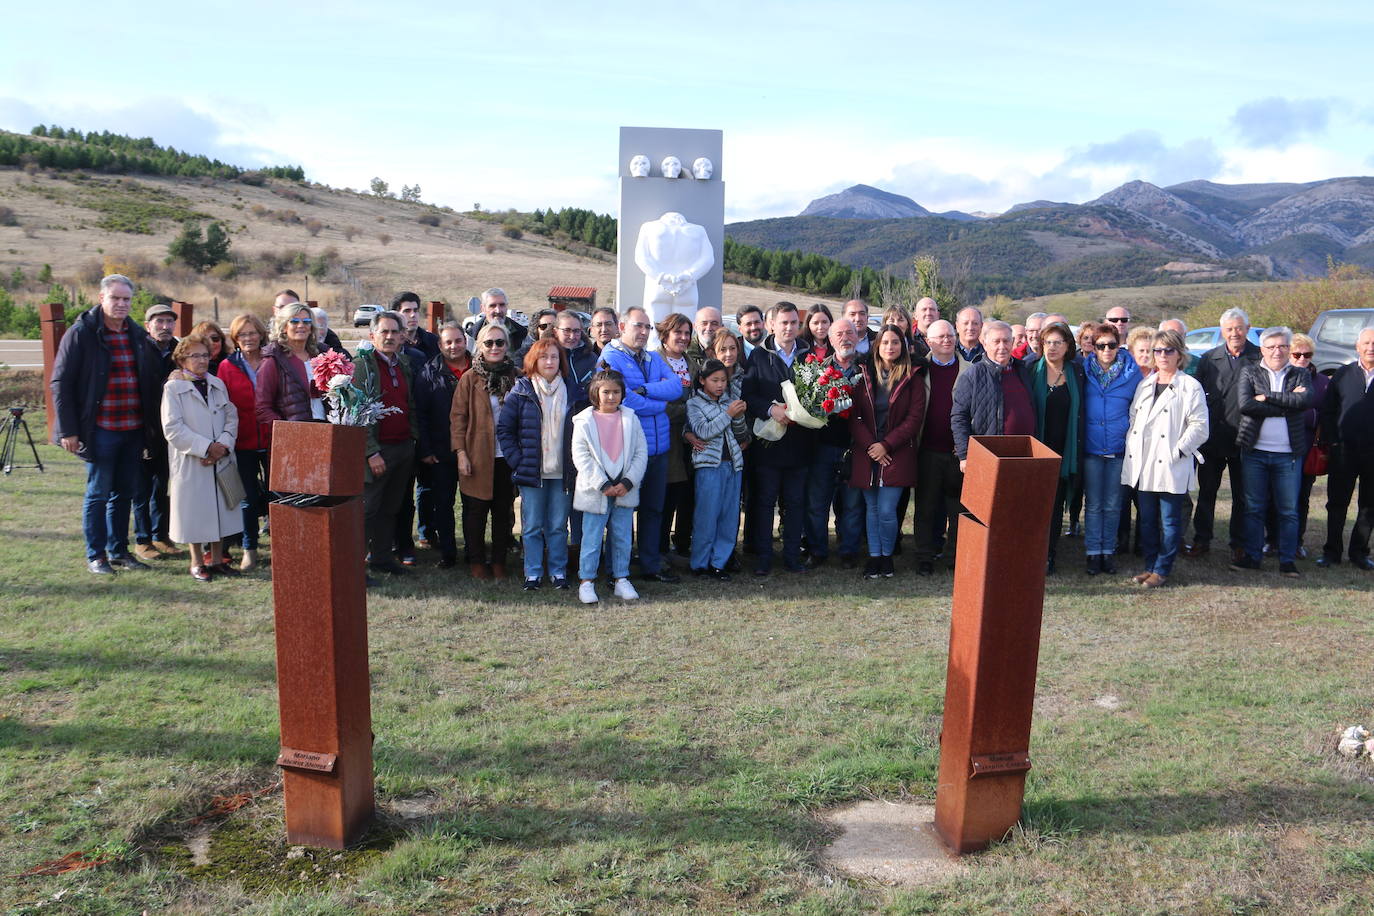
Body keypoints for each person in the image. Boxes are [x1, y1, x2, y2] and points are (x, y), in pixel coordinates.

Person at [51, 274, 165, 575]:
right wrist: (68, 430)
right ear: (101, 298)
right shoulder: (82, 333)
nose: (121, 304)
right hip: (99, 429)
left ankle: (119, 552)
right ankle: (96, 555)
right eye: (115, 298)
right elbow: (61, 383)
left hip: (132, 428)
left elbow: (152, 378)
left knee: (124, 494)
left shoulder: (137, 335)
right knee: (98, 493)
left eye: (126, 299)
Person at [597, 306, 685, 583]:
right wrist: (658, 405)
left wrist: (647, 390)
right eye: (638, 326)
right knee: (623, 514)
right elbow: (624, 400)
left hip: (658, 450)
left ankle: (650, 566)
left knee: (653, 510)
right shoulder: (611, 357)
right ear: (622, 327)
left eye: (647, 327)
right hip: (629, 451)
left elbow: (676, 388)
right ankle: (616, 570)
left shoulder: (651, 357)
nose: (644, 332)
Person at [1121, 329, 1207, 588]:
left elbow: (1200, 426)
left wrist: (1178, 451)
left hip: (1171, 463)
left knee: (1170, 522)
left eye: (1168, 350)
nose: (1162, 355)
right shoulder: (1145, 384)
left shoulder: (1190, 386)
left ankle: (1162, 568)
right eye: (1157, 350)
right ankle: (1150, 565)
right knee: (1146, 520)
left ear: (1180, 354)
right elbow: (1134, 417)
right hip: (1144, 463)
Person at [498, 337, 581, 590]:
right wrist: (518, 461)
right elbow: (505, 429)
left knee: (557, 526)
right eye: (544, 356)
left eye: (554, 357)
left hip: (562, 471)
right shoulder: (522, 391)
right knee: (533, 525)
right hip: (532, 470)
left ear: (560, 361)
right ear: (534, 360)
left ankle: (558, 572)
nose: (549, 361)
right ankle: (532, 573)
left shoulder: (573, 392)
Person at [161, 333, 242, 582]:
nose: (201, 360)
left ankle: (217, 560)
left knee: (220, 510)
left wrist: (223, 446)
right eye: (194, 355)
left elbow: (231, 418)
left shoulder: (217, 384)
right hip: (192, 459)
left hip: (221, 458)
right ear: (182, 359)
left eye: (205, 355)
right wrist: (207, 448)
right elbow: (173, 428)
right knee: (194, 513)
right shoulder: (173, 388)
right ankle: (197, 562)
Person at [1231, 327, 1311, 578]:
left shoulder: (1300, 374)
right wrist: (1286, 401)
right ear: (1262, 349)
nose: (1278, 351)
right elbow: (1246, 405)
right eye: (1272, 346)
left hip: (1288, 454)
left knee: (1288, 510)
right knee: (1254, 507)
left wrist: (1266, 397)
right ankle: (1253, 557)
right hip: (1254, 451)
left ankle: (1287, 560)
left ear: (1289, 348)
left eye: (1283, 346)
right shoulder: (1250, 371)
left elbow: (1304, 403)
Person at [742, 301, 814, 575]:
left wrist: (804, 411)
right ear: (771, 324)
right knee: (764, 502)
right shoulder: (759, 356)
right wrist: (771, 409)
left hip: (800, 443)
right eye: (783, 322)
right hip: (768, 445)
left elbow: (815, 394)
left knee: (795, 503)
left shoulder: (808, 356)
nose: (788, 328)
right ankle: (763, 557)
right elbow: (748, 394)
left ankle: (792, 556)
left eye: (793, 323)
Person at [849, 325, 926, 578]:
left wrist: (887, 444)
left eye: (895, 342)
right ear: (877, 346)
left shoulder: (912, 375)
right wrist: (872, 446)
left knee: (886, 510)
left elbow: (914, 419)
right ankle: (874, 557)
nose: (890, 347)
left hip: (897, 452)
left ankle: (887, 556)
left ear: (902, 346)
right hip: (867, 451)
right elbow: (855, 415)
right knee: (871, 509)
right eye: (885, 343)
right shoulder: (864, 373)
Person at [1187, 307, 1261, 560]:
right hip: (1213, 439)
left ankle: (1238, 543)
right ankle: (1202, 540)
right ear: (1222, 331)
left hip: (1245, 439)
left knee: (1242, 496)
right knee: (1207, 493)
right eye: (1229, 329)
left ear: (1248, 329)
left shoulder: (1259, 357)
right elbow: (1196, 396)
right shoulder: (1209, 358)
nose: (1234, 333)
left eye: (1239, 328)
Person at [352, 310, 418, 577]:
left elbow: (409, 403)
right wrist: (371, 452)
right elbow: (357, 411)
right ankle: (355, 567)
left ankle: (381, 558)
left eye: (394, 332)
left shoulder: (403, 365)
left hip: (402, 446)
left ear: (402, 336)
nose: (389, 337)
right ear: (372, 335)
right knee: (368, 509)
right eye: (384, 332)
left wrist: (413, 438)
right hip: (377, 450)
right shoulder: (362, 365)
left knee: (391, 507)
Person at [571, 370, 645, 603]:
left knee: (623, 536)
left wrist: (627, 482)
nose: (611, 397)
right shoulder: (583, 421)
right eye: (606, 392)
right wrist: (602, 483)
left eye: (616, 392)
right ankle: (586, 581)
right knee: (591, 538)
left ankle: (621, 579)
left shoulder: (631, 419)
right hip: (596, 492)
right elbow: (581, 456)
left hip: (624, 490)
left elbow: (640, 453)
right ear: (596, 393)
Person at [451, 323, 518, 580]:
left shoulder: (516, 376)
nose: (494, 347)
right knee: (476, 512)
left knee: (503, 512)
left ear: (506, 346)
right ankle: (477, 560)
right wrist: (461, 453)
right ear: (479, 345)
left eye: (499, 342)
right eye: (489, 342)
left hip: (507, 457)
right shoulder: (469, 378)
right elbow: (458, 418)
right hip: (477, 455)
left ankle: (499, 560)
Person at [804, 319, 865, 570]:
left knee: (852, 504)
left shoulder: (868, 368)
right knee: (817, 503)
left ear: (858, 337)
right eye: (839, 334)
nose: (845, 338)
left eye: (850, 333)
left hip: (857, 446)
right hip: (824, 446)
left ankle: (849, 551)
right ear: (830, 340)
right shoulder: (820, 370)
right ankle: (818, 550)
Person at [1081, 321, 1140, 574]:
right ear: (1093, 347)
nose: (1106, 349)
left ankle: (1109, 551)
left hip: (1118, 448)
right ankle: (1093, 552)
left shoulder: (1132, 373)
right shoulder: (1082, 370)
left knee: (1114, 503)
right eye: (1101, 345)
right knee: (1094, 503)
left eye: (1111, 345)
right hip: (1092, 449)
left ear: (1119, 345)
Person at [912, 319, 969, 575]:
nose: (947, 340)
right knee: (926, 507)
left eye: (950, 335)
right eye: (940, 336)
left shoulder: (970, 369)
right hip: (927, 450)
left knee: (958, 509)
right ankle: (924, 556)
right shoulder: (917, 369)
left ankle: (956, 555)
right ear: (928, 341)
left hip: (958, 453)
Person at [217, 313, 272, 571]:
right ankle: (250, 550)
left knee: (279, 496)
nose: (248, 338)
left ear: (261, 334)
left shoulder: (273, 360)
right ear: (235, 339)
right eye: (242, 335)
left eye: (252, 333)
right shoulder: (227, 367)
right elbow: (223, 407)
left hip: (275, 439)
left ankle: (284, 547)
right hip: (243, 442)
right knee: (247, 499)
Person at [414, 321, 471, 568]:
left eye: (458, 340)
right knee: (443, 505)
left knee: (473, 505)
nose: (453, 346)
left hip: (473, 450)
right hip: (441, 451)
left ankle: (474, 551)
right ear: (440, 345)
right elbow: (420, 414)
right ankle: (448, 553)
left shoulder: (478, 368)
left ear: (465, 341)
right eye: (448, 341)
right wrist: (425, 449)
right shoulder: (429, 372)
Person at [1316, 327, 1374, 570]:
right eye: (1367, 343)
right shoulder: (1343, 374)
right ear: (1357, 346)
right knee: (1337, 504)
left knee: (1369, 505)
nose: (1371, 347)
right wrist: (1334, 441)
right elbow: (1328, 412)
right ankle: (1332, 552)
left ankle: (1359, 553)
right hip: (1344, 452)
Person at [1030, 321, 1085, 574]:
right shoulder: (1030, 369)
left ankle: (1048, 554)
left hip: (1064, 451)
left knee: (1054, 506)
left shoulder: (1077, 373)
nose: (1051, 347)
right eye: (1047, 342)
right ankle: (1031, 551)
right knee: (1034, 505)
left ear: (1068, 346)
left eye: (1057, 343)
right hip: (1035, 452)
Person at [686, 359, 747, 578]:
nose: (720, 385)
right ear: (702, 380)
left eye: (723, 380)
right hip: (709, 467)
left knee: (729, 517)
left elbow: (741, 434)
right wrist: (729, 414)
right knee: (706, 516)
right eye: (714, 380)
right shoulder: (694, 404)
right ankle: (700, 564)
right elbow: (703, 431)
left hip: (734, 465)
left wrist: (739, 418)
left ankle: (719, 563)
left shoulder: (730, 400)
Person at [951, 321, 1035, 473]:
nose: (1002, 347)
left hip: (1025, 454)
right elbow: (959, 417)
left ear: (1013, 342)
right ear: (984, 343)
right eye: (996, 341)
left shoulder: (1023, 370)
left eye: (1006, 341)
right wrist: (964, 455)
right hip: (989, 456)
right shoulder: (972, 375)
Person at [132, 303, 178, 561]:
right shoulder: (138, 350)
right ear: (148, 325)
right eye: (159, 322)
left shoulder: (177, 350)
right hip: (142, 429)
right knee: (142, 489)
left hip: (169, 431)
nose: (164, 327)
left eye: (169, 322)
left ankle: (161, 535)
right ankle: (143, 539)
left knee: (163, 486)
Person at [655, 312, 700, 562]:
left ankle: (682, 545)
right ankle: (658, 550)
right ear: (665, 335)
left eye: (686, 333)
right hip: (664, 440)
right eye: (678, 332)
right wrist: (689, 410)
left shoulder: (692, 364)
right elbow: (656, 403)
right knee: (663, 500)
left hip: (689, 442)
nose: (683, 337)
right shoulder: (654, 362)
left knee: (685, 496)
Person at [255, 302, 321, 451]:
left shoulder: (320, 355)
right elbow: (262, 408)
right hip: (292, 441)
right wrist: (288, 431)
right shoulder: (273, 360)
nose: (301, 325)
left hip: (324, 432)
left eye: (306, 321)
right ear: (284, 327)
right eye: (295, 321)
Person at [1287, 333, 1329, 555]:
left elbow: (1326, 414)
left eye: (1307, 354)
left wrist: (1303, 414)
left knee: (1301, 497)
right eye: (1297, 354)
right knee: (1274, 497)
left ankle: (1297, 542)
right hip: (1280, 447)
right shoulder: (1279, 377)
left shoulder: (1323, 383)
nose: (1302, 358)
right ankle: (1273, 539)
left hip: (1307, 448)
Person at [467, 287, 527, 353]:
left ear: (506, 307)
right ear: (483, 308)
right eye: (492, 306)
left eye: (502, 305)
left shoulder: (523, 334)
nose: (498, 311)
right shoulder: (471, 336)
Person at [556, 310, 598, 387]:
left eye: (576, 331)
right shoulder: (547, 358)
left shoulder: (591, 358)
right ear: (556, 331)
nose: (572, 336)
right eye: (567, 331)